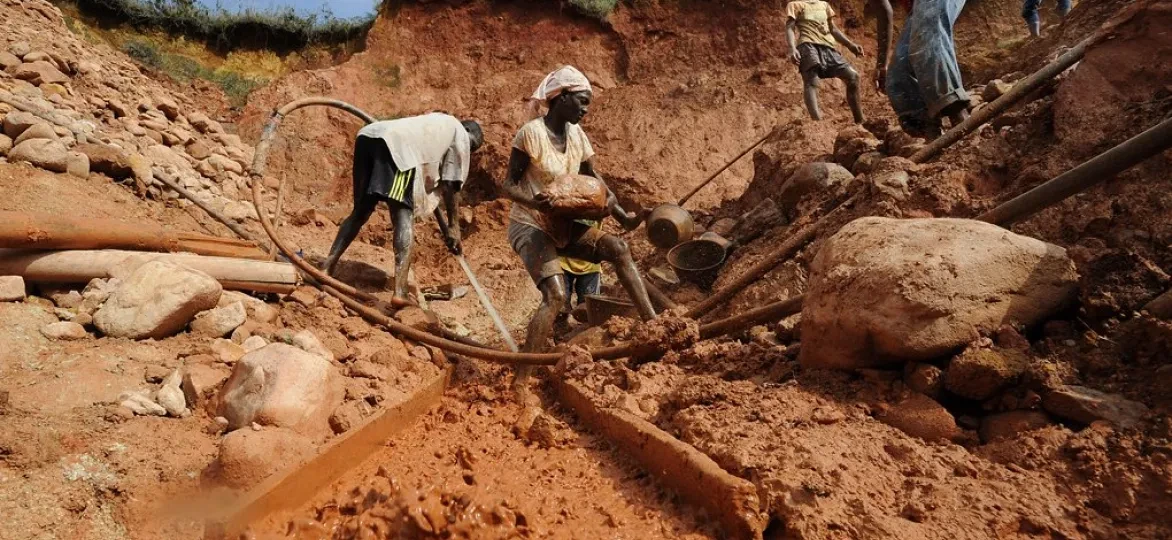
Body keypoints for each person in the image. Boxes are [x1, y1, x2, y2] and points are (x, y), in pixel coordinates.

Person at [504, 65, 654, 367]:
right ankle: (522, 376)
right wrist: (538, 204)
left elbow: (594, 180)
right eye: (582, 101)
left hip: (564, 225)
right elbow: (507, 186)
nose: (586, 109)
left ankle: (654, 326)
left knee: (618, 249)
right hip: (530, 225)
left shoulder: (577, 135)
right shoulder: (530, 134)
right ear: (562, 98)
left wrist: (624, 217)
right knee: (556, 295)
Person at [321, 113, 484, 302]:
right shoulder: (460, 134)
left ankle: (327, 267)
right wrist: (454, 226)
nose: (468, 152)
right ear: (469, 132)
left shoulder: (437, 124)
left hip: (369, 136)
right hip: (399, 150)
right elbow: (451, 184)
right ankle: (400, 291)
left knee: (360, 212)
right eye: (472, 147)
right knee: (403, 214)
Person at [874, 0, 972, 138]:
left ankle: (962, 121)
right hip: (918, 7)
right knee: (898, 77)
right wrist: (881, 64)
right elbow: (883, 9)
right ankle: (933, 136)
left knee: (925, 43)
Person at [785, 0, 866, 124]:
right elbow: (790, 27)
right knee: (811, 82)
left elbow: (833, 29)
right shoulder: (795, 5)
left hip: (828, 47)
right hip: (808, 46)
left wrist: (850, 45)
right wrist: (792, 48)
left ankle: (860, 121)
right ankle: (817, 123)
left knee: (853, 76)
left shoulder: (824, 5)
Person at [558, 220, 603, 316]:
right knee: (559, 309)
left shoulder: (600, 206)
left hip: (590, 264)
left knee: (589, 310)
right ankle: (561, 329)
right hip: (563, 261)